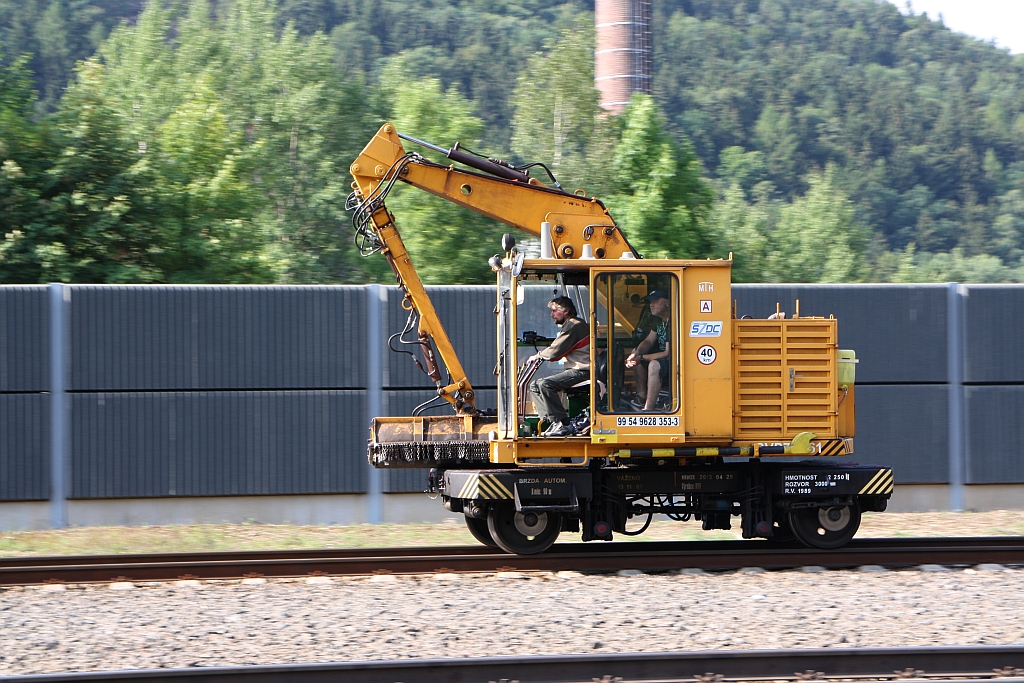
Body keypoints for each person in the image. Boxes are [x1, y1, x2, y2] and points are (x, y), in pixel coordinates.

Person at [527, 296, 590, 437]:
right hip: (575, 370)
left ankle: (564, 424)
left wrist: (537, 356)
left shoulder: (574, 325)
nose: (551, 314)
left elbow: (556, 350)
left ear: (566, 311)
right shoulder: (573, 324)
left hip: (583, 371)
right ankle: (552, 422)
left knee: (545, 384)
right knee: (534, 386)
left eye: (555, 311)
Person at [625, 289, 670, 411]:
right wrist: (636, 354)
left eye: (655, 301)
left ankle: (648, 409)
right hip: (662, 358)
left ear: (667, 303)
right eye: (651, 302)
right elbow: (649, 341)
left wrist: (642, 358)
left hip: (673, 361)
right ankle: (641, 396)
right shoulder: (658, 320)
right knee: (637, 354)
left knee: (654, 364)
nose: (652, 304)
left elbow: (667, 353)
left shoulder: (673, 321)